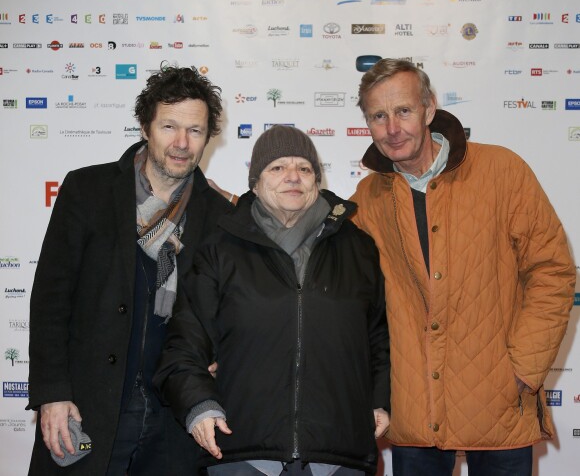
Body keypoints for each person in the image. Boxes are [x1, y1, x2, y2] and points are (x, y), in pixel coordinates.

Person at [349, 58, 576, 475]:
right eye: (378, 116)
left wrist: (524, 368)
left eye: (403, 110)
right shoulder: (368, 197)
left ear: (429, 108)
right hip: (413, 410)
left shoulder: (501, 170)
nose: (393, 128)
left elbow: (552, 271)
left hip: (499, 402)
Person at [27, 65, 233, 475]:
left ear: (209, 137)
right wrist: (52, 394)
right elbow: (51, 299)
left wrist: (220, 358)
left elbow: (234, 311)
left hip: (173, 419)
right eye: (169, 126)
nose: (181, 143)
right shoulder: (88, 190)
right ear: (145, 126)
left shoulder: (221, 215)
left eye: (194, 131)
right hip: (89, 405)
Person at [155, 125, 391, 476]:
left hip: (339, 455)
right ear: (255, 181)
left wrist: (380, 400)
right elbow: (184, 342)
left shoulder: (357, 247)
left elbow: (380, 340)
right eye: (277, 167)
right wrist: (199, 405)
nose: (292, 177)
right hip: (242, 452)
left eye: (304, 168)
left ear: (316, 179)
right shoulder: (220, 248)